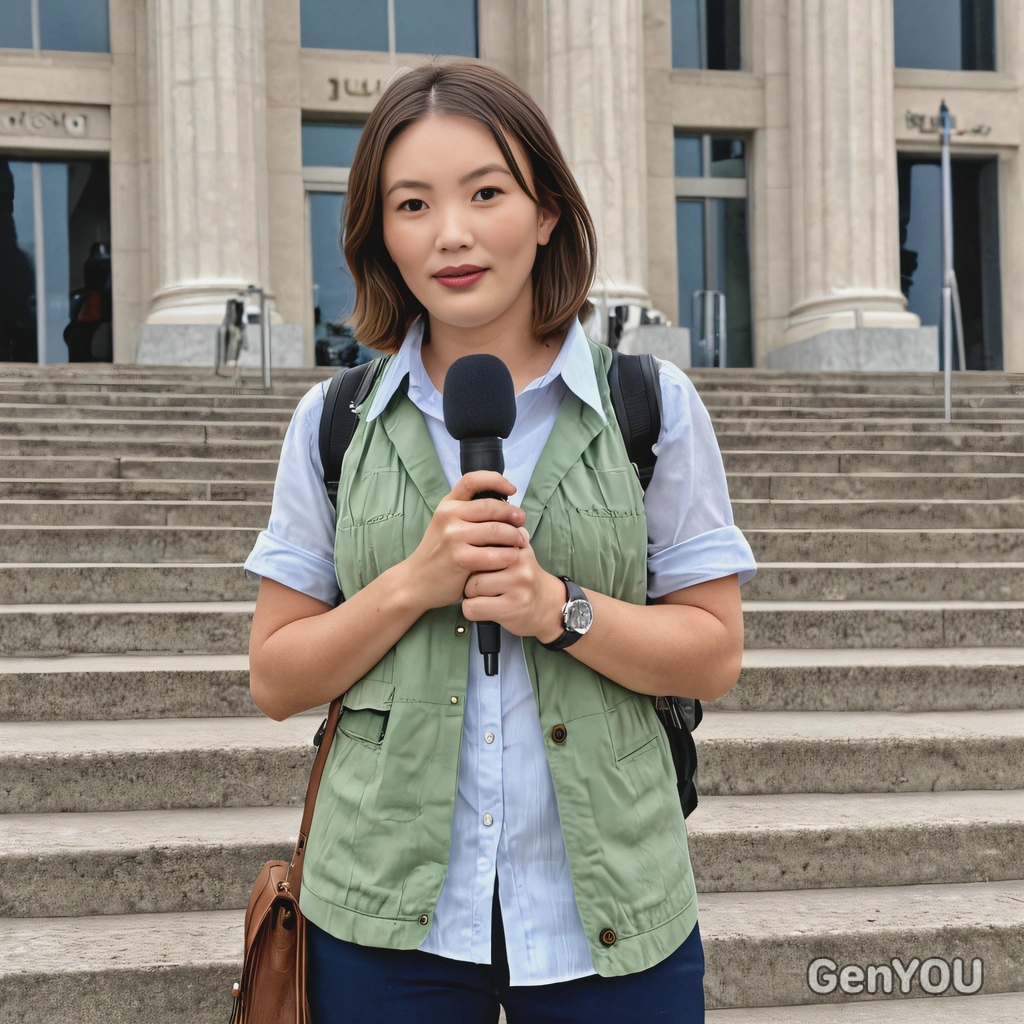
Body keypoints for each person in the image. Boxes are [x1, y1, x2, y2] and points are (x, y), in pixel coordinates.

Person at [244, 59, 757, 1023]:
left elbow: (715, 653)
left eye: (487, 192)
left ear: (548, 210)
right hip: (384, 922)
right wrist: (414, 583)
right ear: (378, 233)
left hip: (610, 910)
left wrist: (553, 608)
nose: (453, 234)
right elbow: (276, 677)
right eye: (411, 204)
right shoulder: (335, 421)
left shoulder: (649, 406)